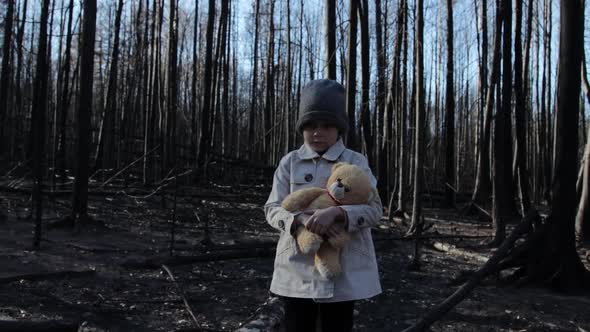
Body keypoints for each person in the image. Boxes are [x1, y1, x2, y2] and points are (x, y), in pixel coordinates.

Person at [265, 79, 383, 332]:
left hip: (344, 270)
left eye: (327, 125)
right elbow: (273, 208)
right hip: (297, 267)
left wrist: (338, 213)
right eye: (310, 125)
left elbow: (375, 211)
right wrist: (297, 220)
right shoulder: (290, 162)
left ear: (340, 128)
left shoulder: (355, 161)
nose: (318, 132)